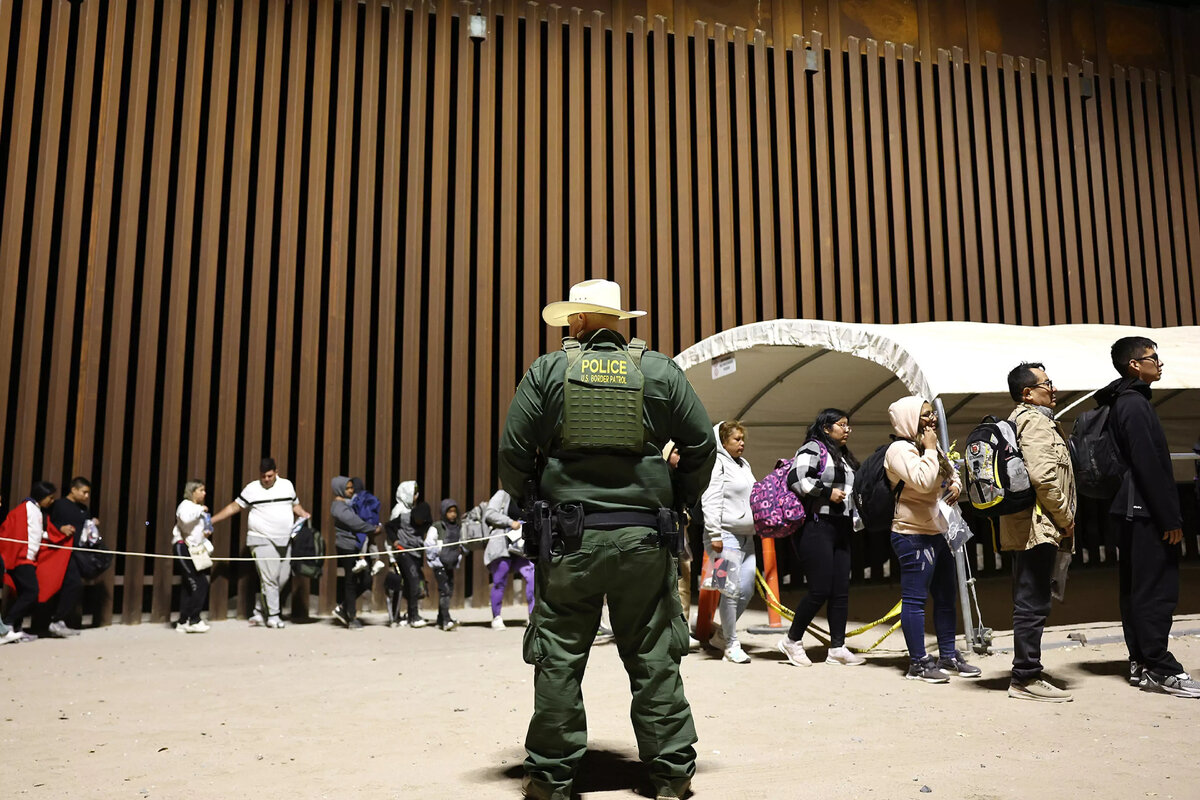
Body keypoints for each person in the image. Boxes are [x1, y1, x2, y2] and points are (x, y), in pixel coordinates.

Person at [498, 278, 716, 800]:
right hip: (645, 539)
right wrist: (680, 501)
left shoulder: (549, 371)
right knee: (655, 653)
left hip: (568, 544)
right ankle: (671, 774)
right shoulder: (659, 369)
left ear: (576, 321)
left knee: (559, 655)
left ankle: (551, 778)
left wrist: (530, 500)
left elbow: (512, 451)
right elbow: (702, 443)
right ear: (619, 320)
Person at [1099, 337, 1198, 698]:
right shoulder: (1134, 405)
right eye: (1153, 357)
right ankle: (1160, 668)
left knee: (1136, 591)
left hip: (1130, 511)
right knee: (1156, 591)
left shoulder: (1122, 402)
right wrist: (1170, 518)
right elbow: (1148, 466)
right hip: (1144, 513)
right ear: (1134, 365)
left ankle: (1142, 664)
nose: (1159, 363)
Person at [884, 397, 979, 683]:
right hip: (911, 534)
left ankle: (948, 654)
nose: (931, 420)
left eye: (932, 414)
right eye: (925, 415)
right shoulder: (899, 450)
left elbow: (950, 473)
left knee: (946, 595)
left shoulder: (928, 445)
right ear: (909, 418)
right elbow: (924, 481)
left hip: (938, 531)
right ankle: (918, 663)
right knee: (915, 600)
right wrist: (928, 449)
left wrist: (955, 485)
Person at [999, 363, 1076, 702]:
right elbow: (1044, 477)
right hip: (1037, 526)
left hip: (1034, 524)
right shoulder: (1033, 422)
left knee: (1032, 598)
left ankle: (1028, 671)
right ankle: (1025, 678)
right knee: (1032, 601)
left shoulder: (1032, 420)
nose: (1053, 388)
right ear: (1027, 392)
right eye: (1047, 383)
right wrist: (1065, 517)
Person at [777, 408, 866, 668]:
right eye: (841, 425)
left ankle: (837, 647)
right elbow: (797, 479)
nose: (847, 429)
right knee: (819, 589)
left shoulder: (844, 456)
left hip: (840, 526)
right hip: (817, 526)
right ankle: (792, 640)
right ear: (826, 428)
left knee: (840, 590)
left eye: (848, 425)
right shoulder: (813, 449)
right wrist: (827, 493)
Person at [209, 458, 311, 628]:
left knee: (283, 577)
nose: (266, 479)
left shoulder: (287, 485)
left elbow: (295, 505)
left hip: (285, 539)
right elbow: (235, 507)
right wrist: (212, 520)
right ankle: (273, 616)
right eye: (263, 476)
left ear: (276, 472)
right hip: (260, 538)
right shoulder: (252, 488)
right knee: (270, 579)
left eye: (269, 476)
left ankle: (259, 609)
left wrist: (303, 514)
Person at [701, 419, 757, 664]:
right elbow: (710, 499)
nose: (742, 443)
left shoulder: (744, 464)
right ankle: (732, 644)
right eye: (737, 439)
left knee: (747, 588)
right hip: (723, 536)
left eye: (743, 439)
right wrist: (714, 535)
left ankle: (722, 634)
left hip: (747, 535)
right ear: (723, 441)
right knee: (729, 591)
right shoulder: (716, 465)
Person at [0, 482, 75, 640]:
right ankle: (7, 624)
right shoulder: (26, 508)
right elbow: (16, 531)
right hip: (22, 558)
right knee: (31, 592)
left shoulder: (37, 511)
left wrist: (59, 535)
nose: (52, 501)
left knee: (22, 594)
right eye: (50, 497)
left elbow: (37, 534)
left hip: (28, 558)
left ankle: (15, 629)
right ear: (42, 496)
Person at [330, 476, 385, 630]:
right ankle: (351, 617)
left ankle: (343, 608)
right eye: (347, 488)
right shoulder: (338, 507)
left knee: (365, 580)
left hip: (355, 545)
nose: (351, 490)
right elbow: (355, 522)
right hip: (346, 546)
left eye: (351, 487)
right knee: (351, 581)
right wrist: (373, 529)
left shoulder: (349, 503)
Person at [45, 477, 96, 637]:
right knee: (71, 584)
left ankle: (59, 621)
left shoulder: (83, 508)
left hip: (77, 552)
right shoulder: (58, 505)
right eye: (84, 492)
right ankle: (56, 621)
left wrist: (92, 524)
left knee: (72, 585)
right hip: (60, 551)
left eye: (88, 493)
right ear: (73, 489)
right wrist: (60, 528)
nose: (87, 496)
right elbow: (47, 523)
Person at [483, 488, 535, 630]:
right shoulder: (503, 494)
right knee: (499, 580)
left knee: (532, 576)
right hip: (502, 545)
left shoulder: (528, 495)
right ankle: (496, 617)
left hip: (521, 547)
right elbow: (489, 514)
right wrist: (510, 522)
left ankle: (533, 615)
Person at [383, 480, 430, 628]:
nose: (416, 496)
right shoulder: (400, 511)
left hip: (414, 551)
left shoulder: (417, 510)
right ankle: (402, 616)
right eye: (413, 493)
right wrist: (394, 548)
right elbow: (390, 531)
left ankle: (410, 614)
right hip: (401, 553)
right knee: (408, 581)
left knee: (411, 583)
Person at [172, 479, 213, 633]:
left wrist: (206, 532)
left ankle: (183, 621)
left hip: (196, 549)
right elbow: (185, 518)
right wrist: (200, 510)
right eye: (201, 490)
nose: (204, 493)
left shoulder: (198, 508)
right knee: (200, 583)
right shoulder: (186, 505)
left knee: (190, 586)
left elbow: (197, 531)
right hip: (183, 547)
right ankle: (193, 619)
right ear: (192, 491)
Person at [426, 499, 465, 631]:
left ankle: (440, 619)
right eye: (449, 511)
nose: (453, 514)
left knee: (449, 591)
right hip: (439, 564)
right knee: (445, 591)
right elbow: (429, 544)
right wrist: (437, 557)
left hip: (451, 564)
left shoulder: (458, 527)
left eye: (454, 511)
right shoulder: (437, 526)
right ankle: (446, 620)